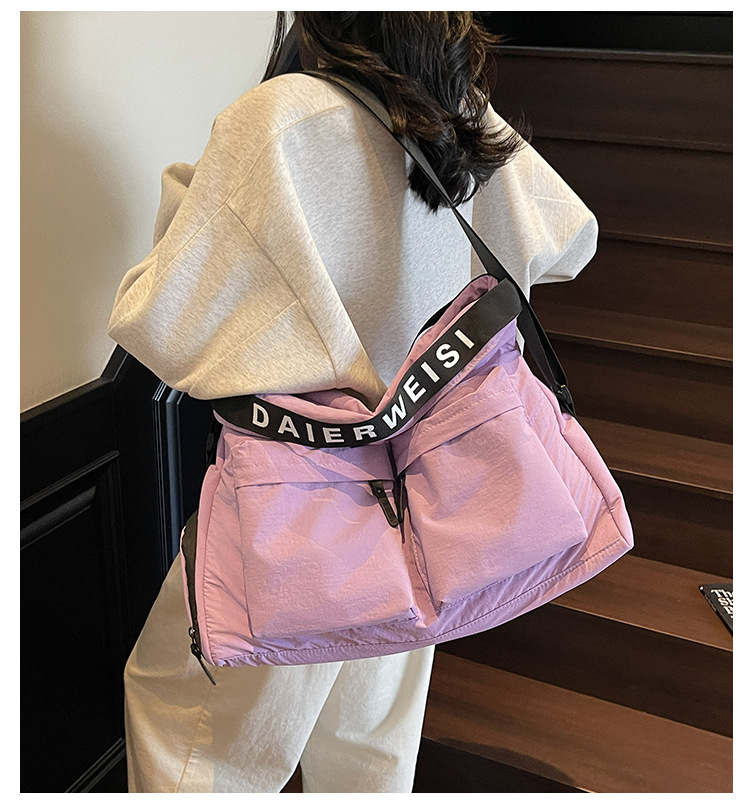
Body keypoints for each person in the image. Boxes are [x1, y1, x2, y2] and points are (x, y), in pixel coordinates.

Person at [108, 11, 598, 793]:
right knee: (368, 747)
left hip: (298, 503)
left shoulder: (275, 118)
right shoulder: (459, 113)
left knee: (189, 732)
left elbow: (160, 321)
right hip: (429, 493)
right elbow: (571, 243)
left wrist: (190, 197)